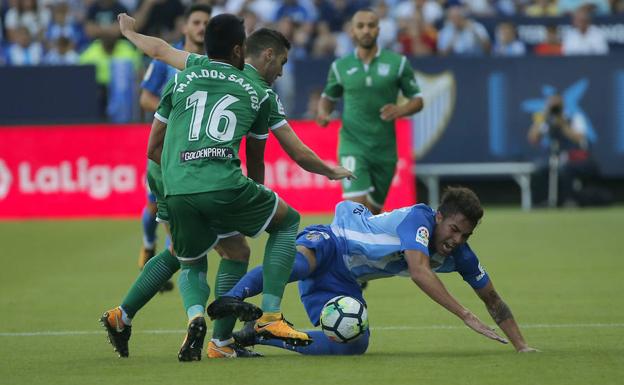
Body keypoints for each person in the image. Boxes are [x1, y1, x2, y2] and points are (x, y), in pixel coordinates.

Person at [101, 13, 353, 361]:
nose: (281, 71)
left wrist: (128, 31)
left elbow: (158, 52)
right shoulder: (259, 92)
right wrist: (327, 171)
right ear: (247, 51)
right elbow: (273, 157)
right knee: (284, 222)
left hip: (170, 175)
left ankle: (137, 318)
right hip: (218, 179)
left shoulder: (190, 70)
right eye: (280, 63)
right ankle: (267, 318)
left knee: (206, 252)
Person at [225, 187, 538, 355]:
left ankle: (260, 335)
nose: (456, 240)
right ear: (439, 217)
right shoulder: (419, 218)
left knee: (354, 345)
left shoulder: (461, 256)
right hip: (333, 241)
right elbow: (419, 271)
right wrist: (466, 315)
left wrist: (521, 345)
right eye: (454, 229)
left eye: (465, 235)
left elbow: (493, 298)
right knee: (298, 264)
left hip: (344, 281)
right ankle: (231, 298)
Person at [316, 9, 424, 215]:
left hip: (385, 150)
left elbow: (418, 100)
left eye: (371, 25)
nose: (366, 30)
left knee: (372, 214)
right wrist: (323, 113)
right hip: (352, 145)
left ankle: (362, 246)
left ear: (378, 30)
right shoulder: (340, 66)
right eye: (361, 26)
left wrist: (400, 109)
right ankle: (347, 246)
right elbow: (328, 97)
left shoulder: (397, 63)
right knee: (356, 209)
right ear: (352, 32)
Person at [137, 4, 212, 283]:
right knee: (155, 207)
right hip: (164, 147)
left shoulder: (213, 63)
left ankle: (171, 262)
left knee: (178, 212)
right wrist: (176, 115)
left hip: (195, 149)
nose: (201, 27)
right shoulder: (166, 58)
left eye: (206, 22)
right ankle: (148, 244)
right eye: (196, 21)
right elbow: (145, 98)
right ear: (185, 27)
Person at [527, 94, 599, 206]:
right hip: (555, 158)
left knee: (566, 169)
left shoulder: (575, 117)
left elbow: (579, 138)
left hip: (575, 158)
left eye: (557, 104)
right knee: (539, 170)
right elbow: (533, 139)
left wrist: (562, 124)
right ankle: (540, 202)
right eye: (551, 104)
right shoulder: (546, 120)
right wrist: (541, 119)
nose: (554, 107)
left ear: (563, 104)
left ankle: (569, 201)